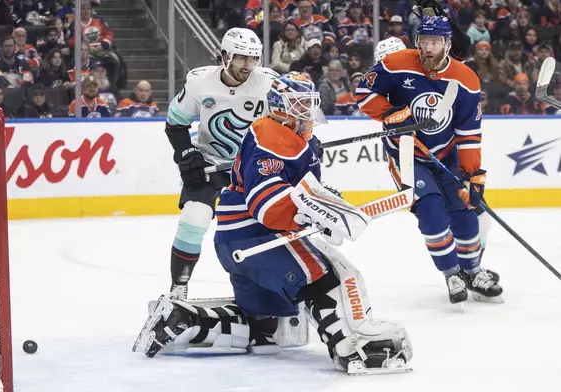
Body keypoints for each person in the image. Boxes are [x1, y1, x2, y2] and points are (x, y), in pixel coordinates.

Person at [134, 72, 413, 375]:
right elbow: (266, 206)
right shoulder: (271, 135)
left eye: (309, 102)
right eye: (300, 103)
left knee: (268, 325)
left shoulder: (288, 137)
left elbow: (295, 191)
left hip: (235, 244)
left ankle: (187, 319)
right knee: (323, 279)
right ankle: (349, 347)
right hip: (259, 239)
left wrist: (315, 199)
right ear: (281, 107)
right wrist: (314, 213)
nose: (307, 109)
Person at [355, 15, 503, 304]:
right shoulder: (395, 63)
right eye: (425, 41)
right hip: (408, 156)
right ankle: (452, 274)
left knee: (464, 209)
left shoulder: (466, 79)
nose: (430, 48)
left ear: (447, 44)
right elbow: (363, 93)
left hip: (448, 154)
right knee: (431, 211)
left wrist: (472, 175)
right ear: (417, 42)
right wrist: (388, 113)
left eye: (436, 42)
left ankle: (472, 270)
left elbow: (469, 133)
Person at [164, 27, 278, 300]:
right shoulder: (199, 83)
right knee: (193, 218)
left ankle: (273, 288)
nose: (248, 66)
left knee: (270, 225)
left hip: (255, 167)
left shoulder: (270, 83)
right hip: (210, 166)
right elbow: (175, 124)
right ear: (224, 56)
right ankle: (178, 288)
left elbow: (291, 121)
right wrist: (186, 153)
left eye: (253, 59)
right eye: (241, 58)